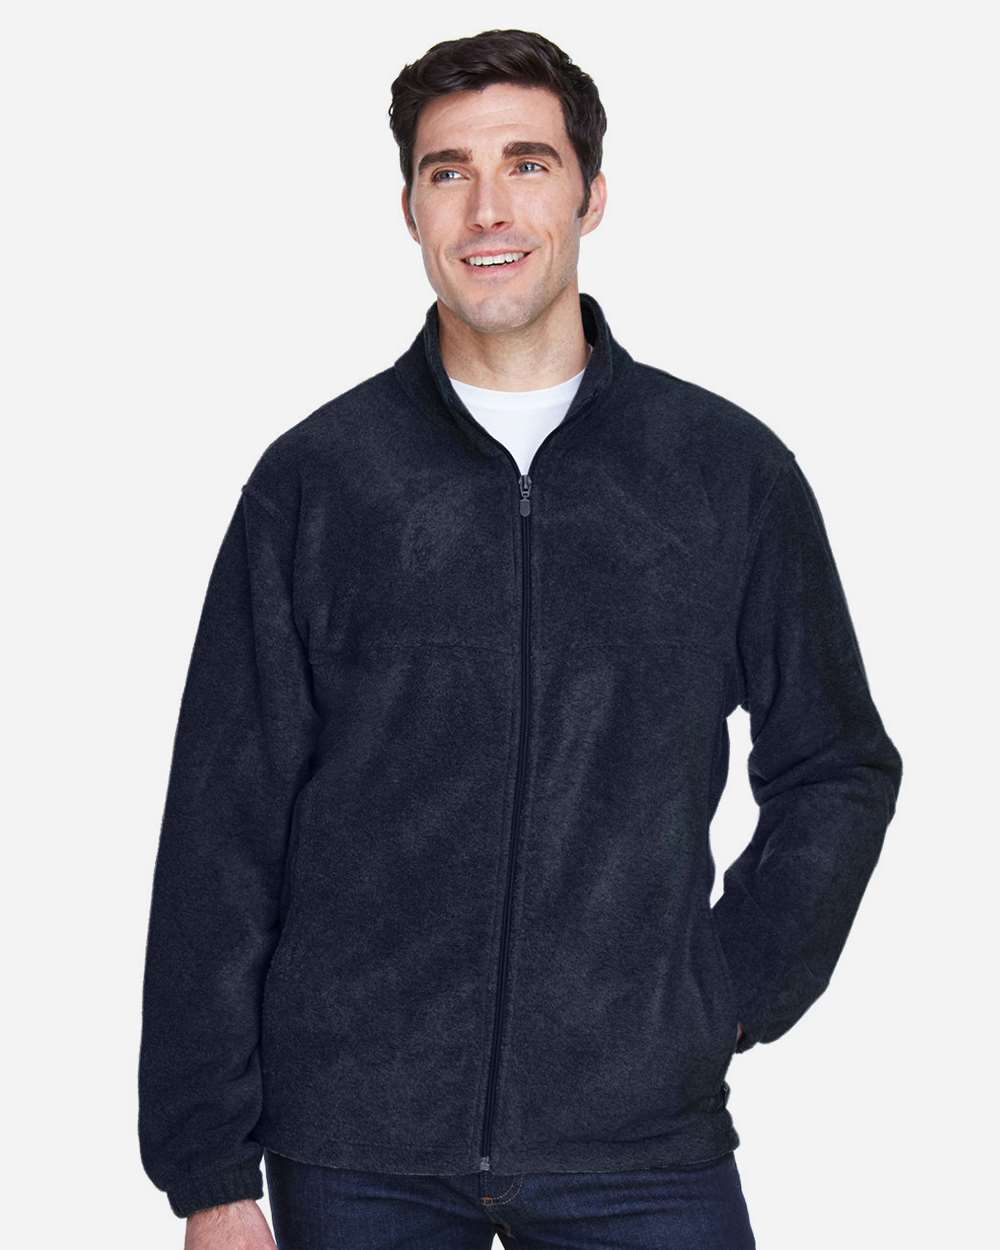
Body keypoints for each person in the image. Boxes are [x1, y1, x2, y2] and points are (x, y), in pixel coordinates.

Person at [138, 28, 903, 1249]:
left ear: (591, 195)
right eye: (448, 171)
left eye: (527, 163)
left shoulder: (723, 474)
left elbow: (836, 764)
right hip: (356, 1143)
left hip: (637, 1137)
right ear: (409, 208)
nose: (487, 207)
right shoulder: (318, 482)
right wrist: (210, 1172)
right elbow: (220, 831)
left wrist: (721, 991)